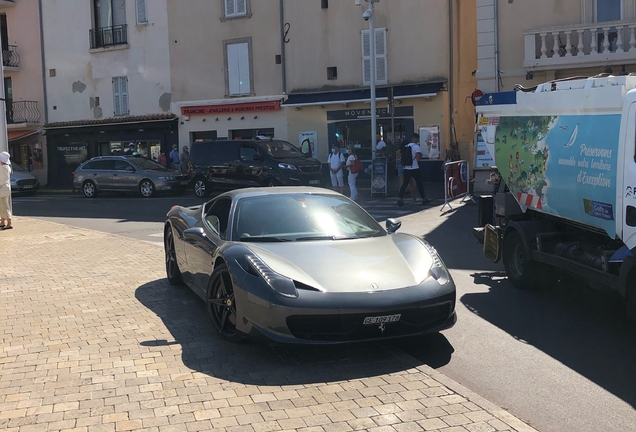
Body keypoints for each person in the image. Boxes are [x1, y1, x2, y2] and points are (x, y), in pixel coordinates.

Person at [397, 133, 429, 207]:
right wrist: (420, 156)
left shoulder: (406, 146)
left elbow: (400, 155)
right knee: (419, 183)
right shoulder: (416, 147)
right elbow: (418, 158)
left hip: (406, 168)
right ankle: (424, 198)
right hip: (414, 168)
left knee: (404, 184)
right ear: (417, 139)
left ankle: (400, 198)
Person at [0, 151, 13, 230]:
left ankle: (9, 222)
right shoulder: (7, 167)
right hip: (6, 188)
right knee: (4, 205)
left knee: (3, 206)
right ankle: (2, 221)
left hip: (1, 189)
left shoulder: (2, 168)